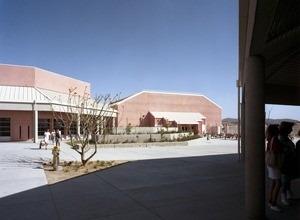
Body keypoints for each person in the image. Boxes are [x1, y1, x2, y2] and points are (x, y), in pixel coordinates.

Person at [266, 124, 283, 212]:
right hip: (275, 163)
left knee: (273, 182)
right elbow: (277, 150)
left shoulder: (270, 139)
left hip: (271, 163)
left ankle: (270, 200)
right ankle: (273, 203)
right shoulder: (275, 140)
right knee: (278, 183)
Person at [279, 121, 296, 206]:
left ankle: (288, 193)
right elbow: (283, 151)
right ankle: (283, 196)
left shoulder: (284, 137)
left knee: (287, 178)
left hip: (288, 162)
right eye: (290, 128)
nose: (292, 129)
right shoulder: (282, 138)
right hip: (285, 162)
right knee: (285, 179)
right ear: (286, 129)